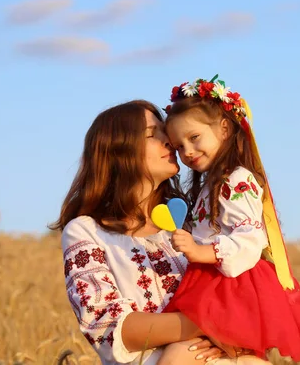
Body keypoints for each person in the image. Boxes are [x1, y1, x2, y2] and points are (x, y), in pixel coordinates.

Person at [50, 100, 266, 365]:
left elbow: (244, 288)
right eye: (153, 135)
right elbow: (108, 328)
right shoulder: (86, 231)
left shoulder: (191, 222)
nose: (171, 142)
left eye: (167, 134)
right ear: (119, 150)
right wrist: (209, 323)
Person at [160, 75, 300, 362]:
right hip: (210, 281)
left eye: (194, 138)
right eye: (179, 146)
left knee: (195, 355)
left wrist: (200, 252)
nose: (187, 152)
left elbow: (249, 240)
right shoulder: (211, 183)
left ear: (223, 128)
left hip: (231, 287)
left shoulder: (237, 180)